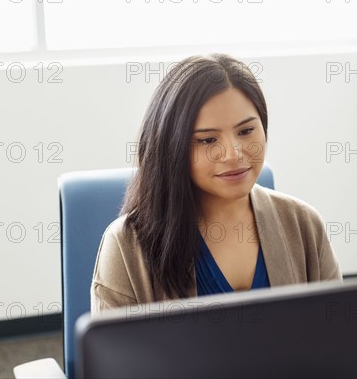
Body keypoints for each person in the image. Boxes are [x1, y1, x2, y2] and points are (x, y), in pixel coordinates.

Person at [90, 53, 342, 314]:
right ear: (171, 148)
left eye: (245, 131)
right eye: (208, 140)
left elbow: (337, 336)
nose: (233, 153)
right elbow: (116, 355)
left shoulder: (304, 225)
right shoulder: (125, 246)